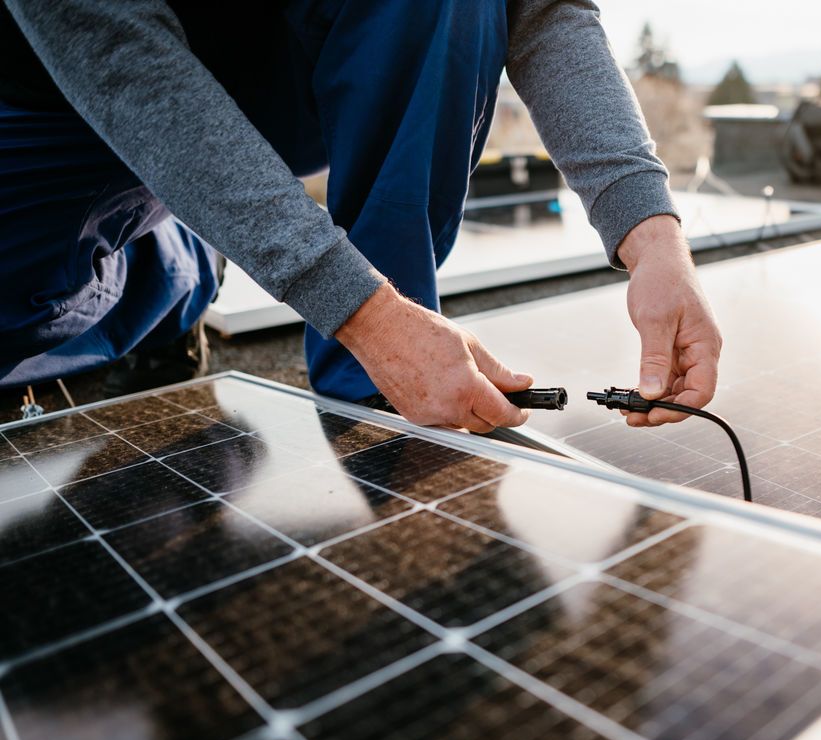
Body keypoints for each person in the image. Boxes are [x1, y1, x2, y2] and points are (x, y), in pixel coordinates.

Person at [0, 0, 722, 432]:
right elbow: (122, 60)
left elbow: (542, 9)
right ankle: (177, 264)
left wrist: (653, 238)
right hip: (51, 95)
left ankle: (376, 388)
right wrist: (349, 301)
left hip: (276, 58)